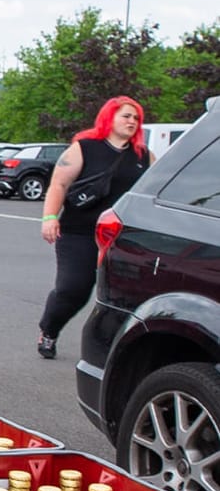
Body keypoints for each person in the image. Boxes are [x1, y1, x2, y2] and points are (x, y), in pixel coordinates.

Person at [36, 96, 151, 359]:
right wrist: (49, 218)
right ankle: (49, 330)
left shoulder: (144, 156)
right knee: (73, 288)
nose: (132, 121)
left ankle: (113, 352)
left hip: (123, 238)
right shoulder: (84, 148)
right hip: (80, 232)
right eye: (126, 116)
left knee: (123, 298)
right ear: (109, 117)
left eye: (136, 118)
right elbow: (59, 185)